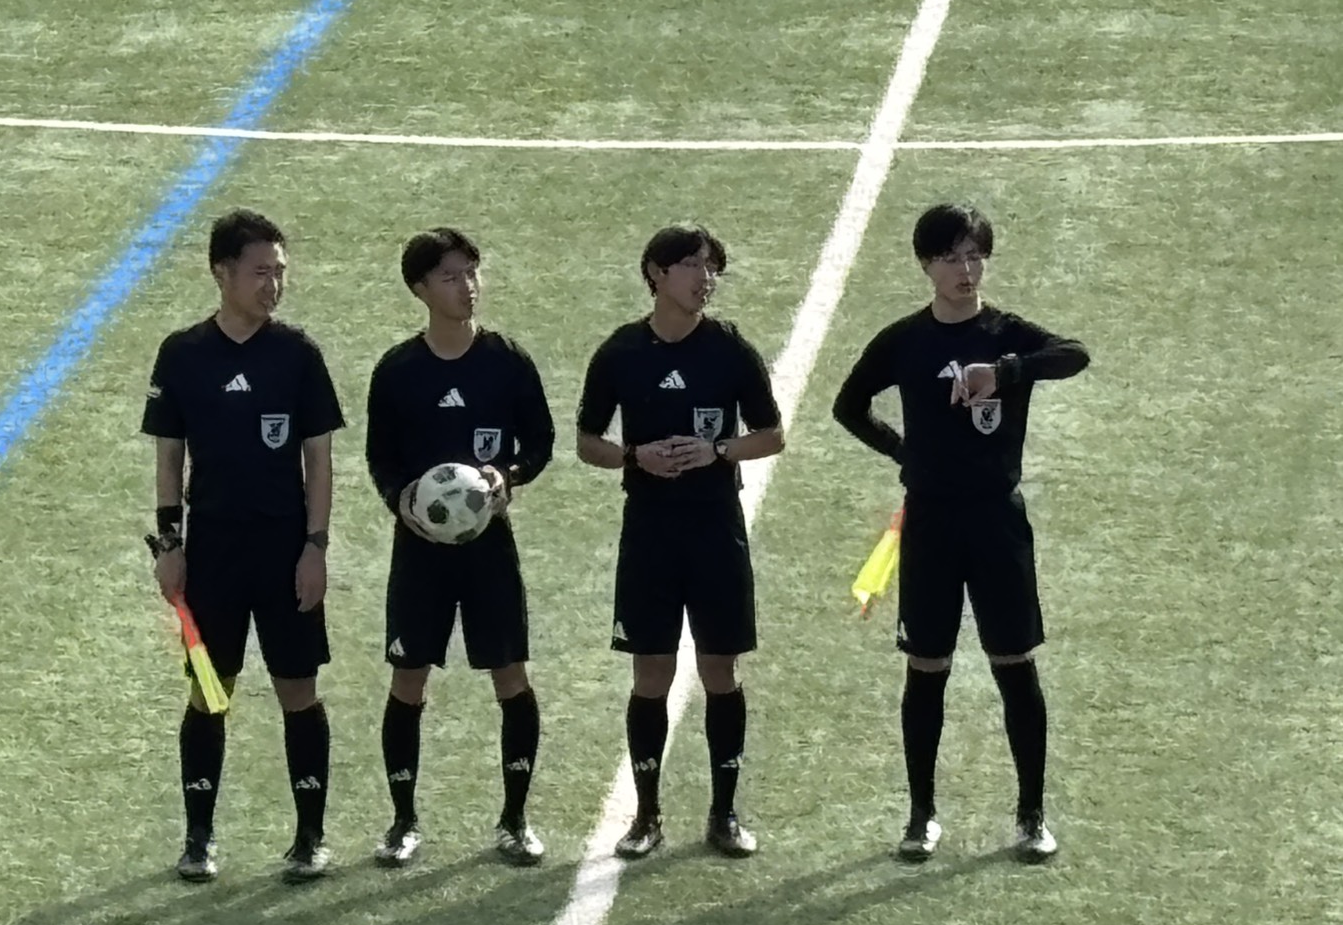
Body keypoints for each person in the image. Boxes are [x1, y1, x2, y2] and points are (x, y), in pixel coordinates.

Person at [831, 202, 1089, 863]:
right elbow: (847, 405)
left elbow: (1073, 354)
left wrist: (1003, 371)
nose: (965, 270)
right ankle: (921, 815)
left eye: (975, 256)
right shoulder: (905, 340)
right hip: (931, 523)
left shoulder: (1006, 333)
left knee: (1014, 663)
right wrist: (902, 453)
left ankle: (1030, 814)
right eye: (950, 257)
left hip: (997, 521)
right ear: (926, 264)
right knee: (927, 666)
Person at [141, 209, 346, 883]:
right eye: (260, 272)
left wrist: (315, 547)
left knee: (299, 691)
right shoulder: (183, 354)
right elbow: (169, 458)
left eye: (279, 272)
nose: (273, 285)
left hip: (284, 553)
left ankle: (309, 838)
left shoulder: (298, 354)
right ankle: (198, 838)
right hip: (212, 556)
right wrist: (170, 544)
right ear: (221, 273)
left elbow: (319, 461)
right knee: (209, 691)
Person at [575, 224, 784, 860]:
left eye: (711, 266)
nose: (706, 277)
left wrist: (716, 450)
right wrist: (633, 456)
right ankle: (646, 815)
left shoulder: (730, 349)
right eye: (693, 265)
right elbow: (587, 442)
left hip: (716, 530)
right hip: (650, 532)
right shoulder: (621, 352)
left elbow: (771, 435)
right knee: (652, 672)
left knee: (720, 669)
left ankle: (724, 814)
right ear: (657, 273)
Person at [364, 228, 555, 867]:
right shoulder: (398, 371)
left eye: (472, 272)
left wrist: (509, 475)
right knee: (408, 678)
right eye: (450, 276)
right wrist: (401, 500)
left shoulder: (507, 360)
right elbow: (380, 458)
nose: (466, 286)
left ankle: (515, 820)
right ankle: (402, 822)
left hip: (488, 547)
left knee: (511, 675)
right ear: (420, 288)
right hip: (419, 551)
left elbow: (540, 442)